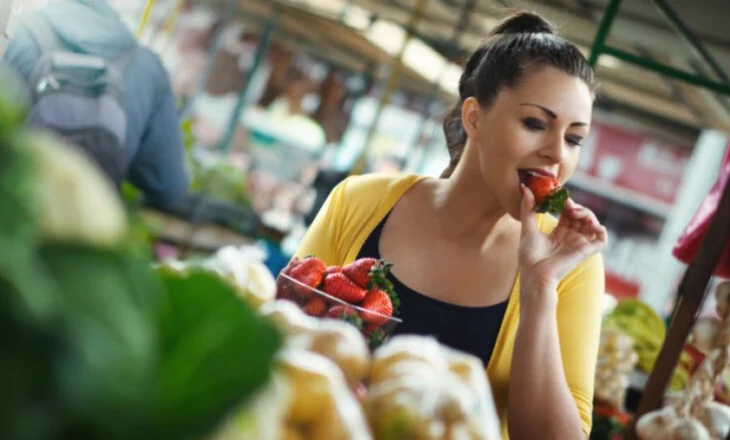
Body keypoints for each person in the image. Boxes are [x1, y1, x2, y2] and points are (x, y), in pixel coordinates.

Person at [293, 11, 608, 440]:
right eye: (536, 124)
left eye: (574, 139)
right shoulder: (358, 201)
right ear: (474, 118)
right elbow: (282, 337)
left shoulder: (571, 265)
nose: (557, 154)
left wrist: (539, 286)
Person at [2, 0, 188, 208]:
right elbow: (168, 187)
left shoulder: (17, 35)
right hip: (86, 229)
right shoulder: (147, 67)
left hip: (14, 214)